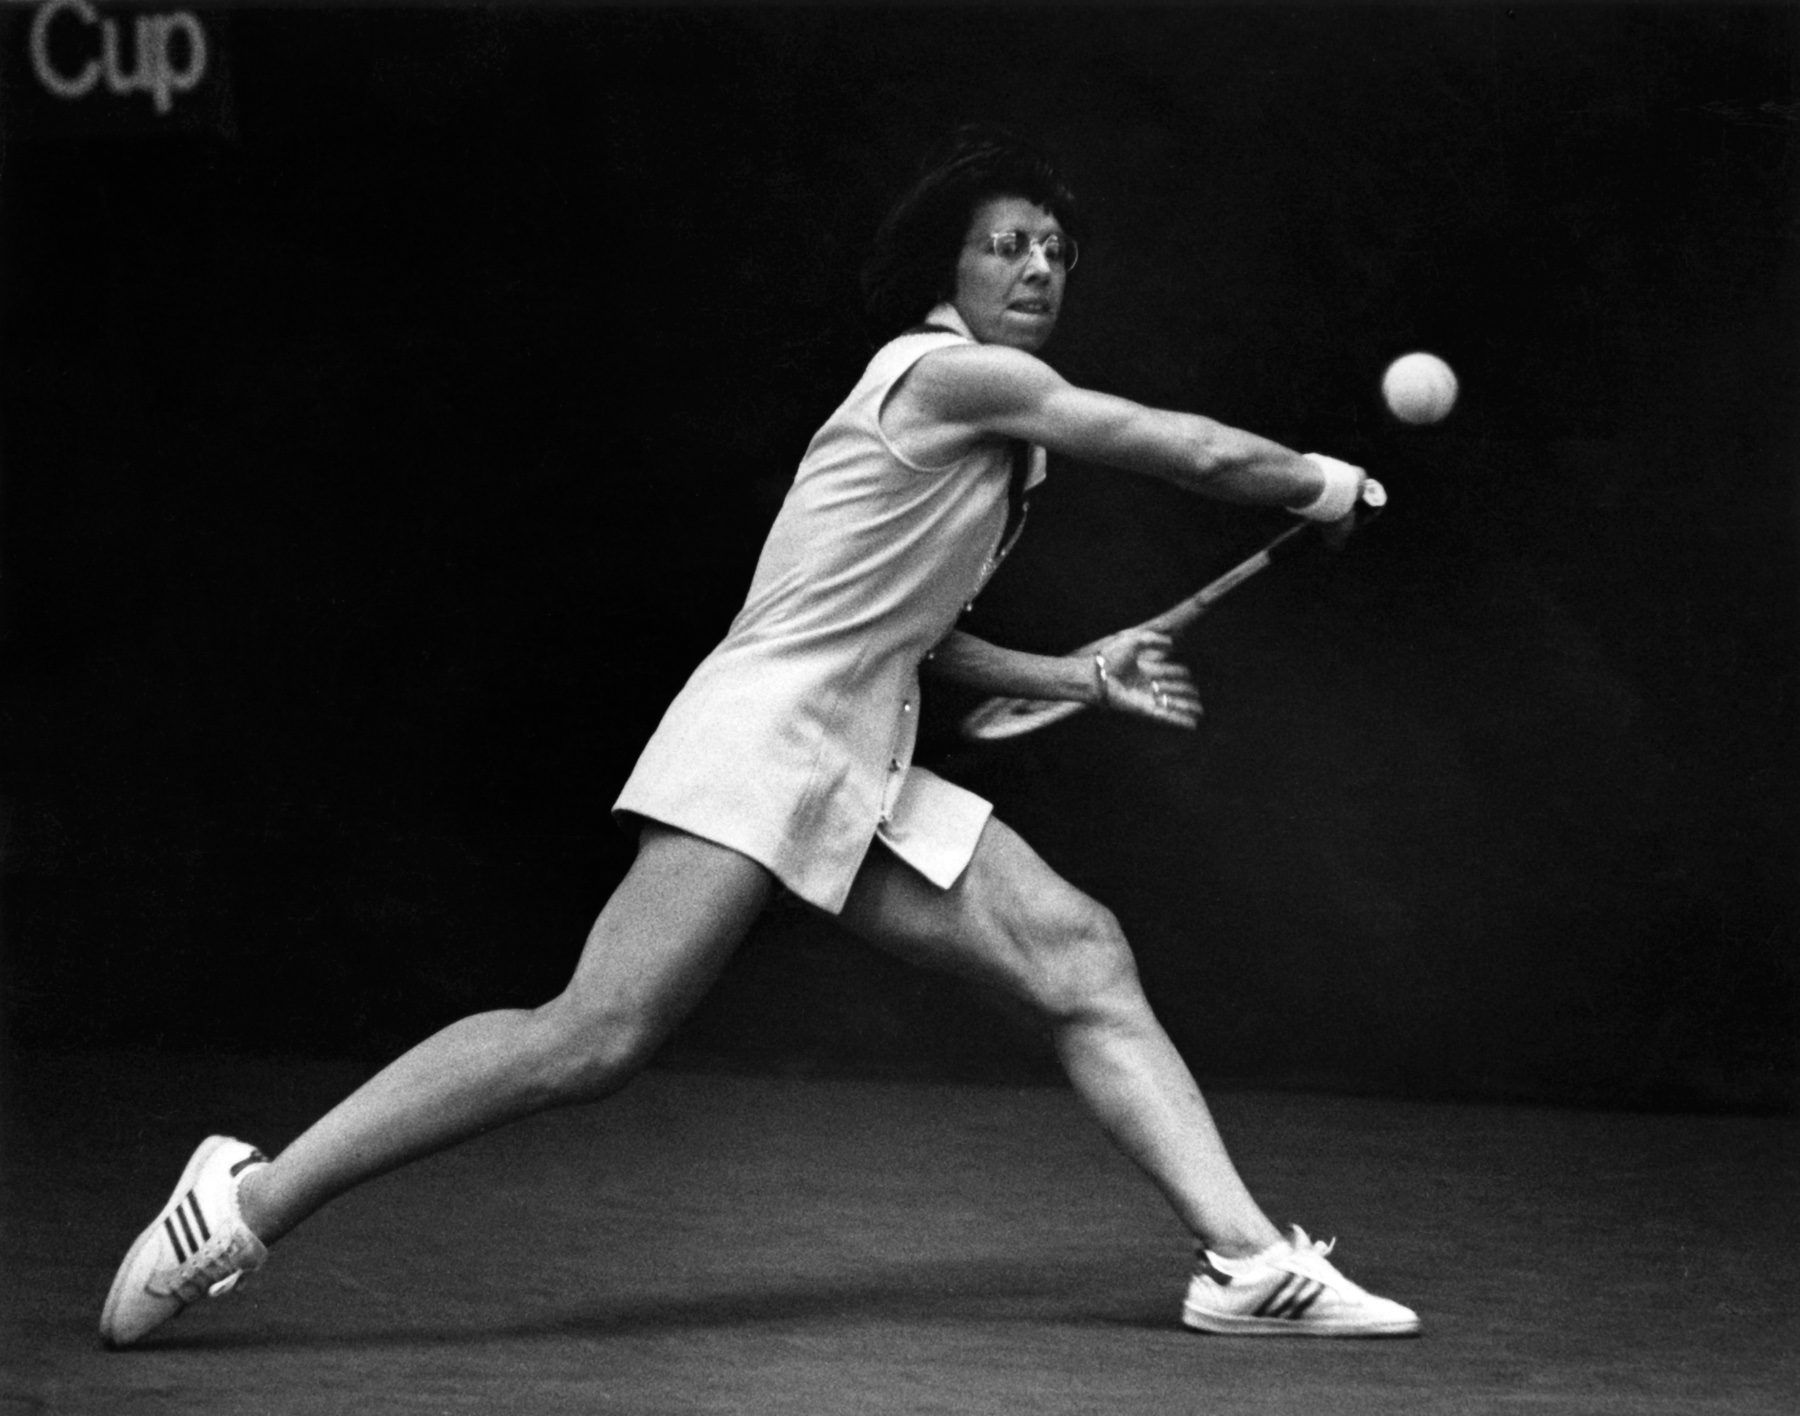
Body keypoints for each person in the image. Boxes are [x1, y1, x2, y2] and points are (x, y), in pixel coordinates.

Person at [100, 125, 1419, 1347]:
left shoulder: (985, 442)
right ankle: (247, 1201)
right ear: (948, 265)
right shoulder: (952, 373)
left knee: (1079, 952)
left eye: (1057, 252)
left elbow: (911, 639)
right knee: (594, 1039)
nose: (1037, 266)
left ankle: (1245, 1263)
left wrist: (1070, 671)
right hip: (768, 735)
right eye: (1008, 242)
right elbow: (1169, 443)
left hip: (854, 746)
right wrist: (1317, 481)